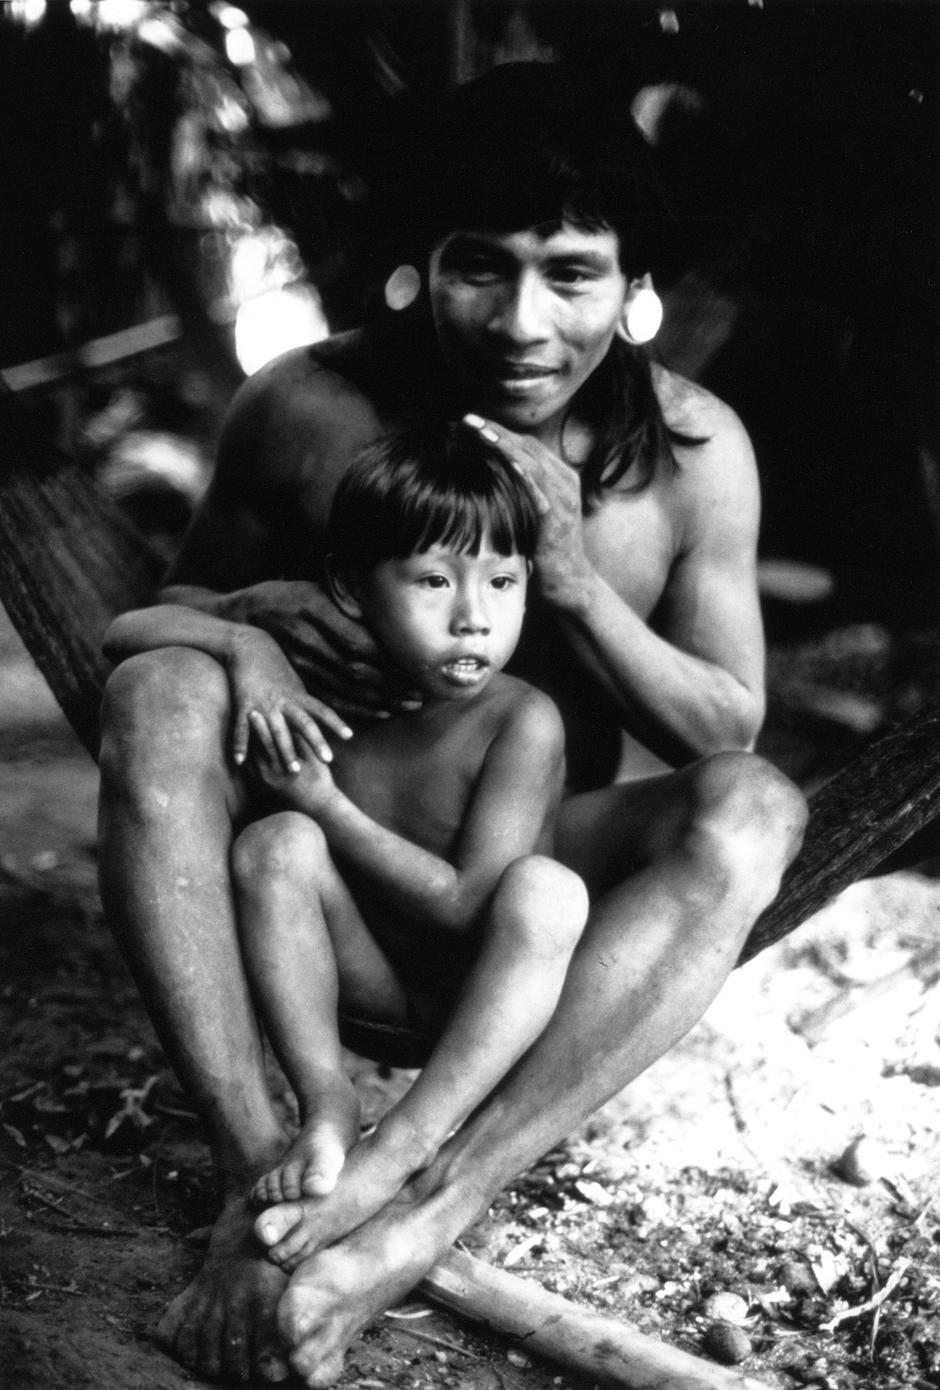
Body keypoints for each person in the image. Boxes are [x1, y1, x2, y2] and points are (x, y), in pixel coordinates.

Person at [96, 62, 807, 1388]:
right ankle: (266, 1188)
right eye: (481, 267)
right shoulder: (313, 407)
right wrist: (253, 619)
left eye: (572, 271)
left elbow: (728, 729)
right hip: (323, 903)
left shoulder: (695, 455)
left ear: (632, 280)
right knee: (157, 686)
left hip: (533, 926)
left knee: (761, 806)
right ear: (422, 264)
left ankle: (422, 1209)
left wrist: (574, 572)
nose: (522, 322)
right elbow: (167, 612)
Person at [103, 420, 589, 1223]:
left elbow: (471, 904)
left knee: (547, 892)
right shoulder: (324, 675)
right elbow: (125, 635)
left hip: (477, 1007)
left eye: (503, 583)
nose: (473, 617)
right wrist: (244, 645)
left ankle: (414, 1137)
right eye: (434, 582)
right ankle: (327, 1102)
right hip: (355, 980)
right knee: (276, 844)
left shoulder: (521, 720)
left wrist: (324, 804)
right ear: (352, 588)